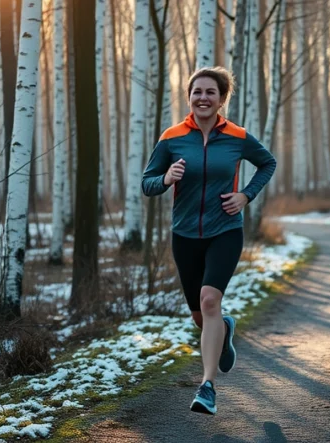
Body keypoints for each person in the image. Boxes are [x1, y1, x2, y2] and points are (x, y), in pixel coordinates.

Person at [141, 66, 277, 415]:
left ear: (221, 99)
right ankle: (225, 328)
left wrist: (246, 196)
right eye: (197, 92)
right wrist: (166, 178)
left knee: (210, 299)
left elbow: (267, 164)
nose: (203, 98)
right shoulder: (171, 137)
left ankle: (207, 386)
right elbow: (147, 183)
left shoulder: (237, 136)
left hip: (225, 230)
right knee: (202, 316)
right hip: (184, 235)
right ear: (189, 97)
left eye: (210, 92)